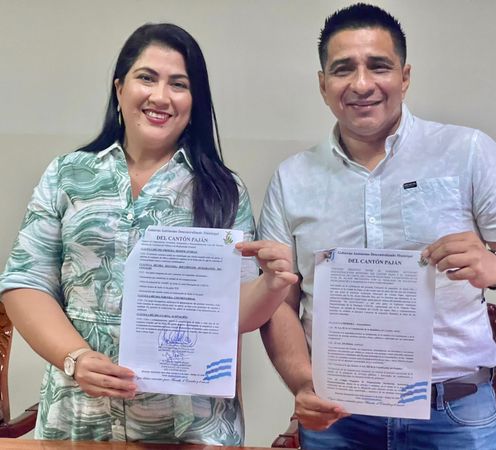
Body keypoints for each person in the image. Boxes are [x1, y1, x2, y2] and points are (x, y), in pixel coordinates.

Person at [258, 3, 496, 449]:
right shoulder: (292, 179)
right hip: (339, 419)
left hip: (453, 416)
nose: (362, 84)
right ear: (323, 85)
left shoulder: (466, 151)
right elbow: (279, 300)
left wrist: (495, 266)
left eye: (378, 66)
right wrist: (303, 383)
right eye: (343, 69)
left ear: (405, 76)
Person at [0, 23, 296, 445]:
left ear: (194, 101)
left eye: (179, 84)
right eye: (147, 78)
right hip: (80, 418)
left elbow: (236, 313)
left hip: (190, 428)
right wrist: (76, 357)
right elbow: (25, 282)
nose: (161, 96)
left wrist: (271, 285)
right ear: (120, 88)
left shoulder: (223, 189)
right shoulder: (67, 175)